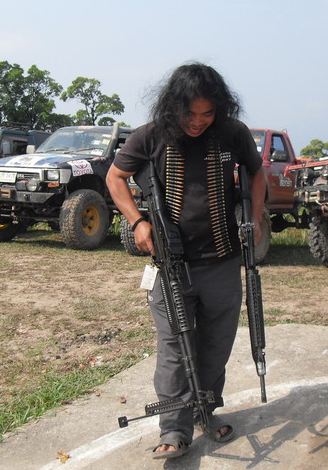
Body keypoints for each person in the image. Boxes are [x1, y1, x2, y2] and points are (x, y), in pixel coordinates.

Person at [106, 62, 266, 460]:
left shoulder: (233, 133)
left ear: (220, 109)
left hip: (223, 261)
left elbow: (257, 173)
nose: (197, 122)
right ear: (172, 106)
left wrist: (255, 218)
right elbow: (115, 177)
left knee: (216, 345)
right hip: (171, 265)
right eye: (189, 113)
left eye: (207, 113)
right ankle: (174, 430)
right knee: (175, 348)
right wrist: (138, 221)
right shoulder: (150, 135)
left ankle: (204, 412)